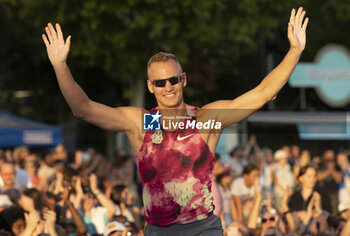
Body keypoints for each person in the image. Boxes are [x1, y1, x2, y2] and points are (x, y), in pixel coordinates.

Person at [42, 7, 308, 235]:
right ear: (150, 86)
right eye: (160, 82)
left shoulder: (206, 121)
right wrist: (59, 66)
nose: (168, 87)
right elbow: (83, 108)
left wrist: (295, 51)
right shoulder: (141, 124)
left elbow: (262, 93)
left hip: (204, 228)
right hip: (158, 230)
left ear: (184, 79)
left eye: (173, 79)